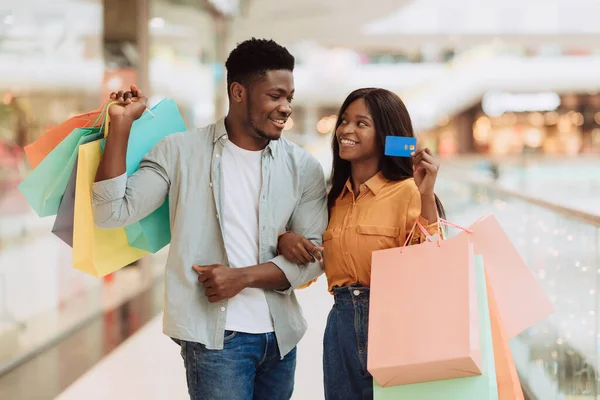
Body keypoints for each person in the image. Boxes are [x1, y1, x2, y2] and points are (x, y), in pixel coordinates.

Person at [92, 38, 328, 400]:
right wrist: (120, 125)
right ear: (238, 92)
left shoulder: (303, 167)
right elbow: (111, 212)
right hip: (216, 343)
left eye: (289, 98)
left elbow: (315, 259)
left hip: (282, 339)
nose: (285, 108)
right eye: (275, 96)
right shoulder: (179, 152)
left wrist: (243, 277)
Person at [277, 88, 446, 400]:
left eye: (361, 123)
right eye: (344, 121)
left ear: (386, 135)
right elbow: (308, 273)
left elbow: (432, 263)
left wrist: (426, 195)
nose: (346, 130)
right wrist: (287, 240)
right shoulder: (331, 200)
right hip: (340, 328)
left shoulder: (408, 192)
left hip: (395, 324)